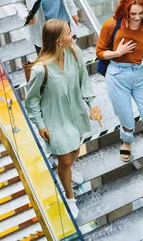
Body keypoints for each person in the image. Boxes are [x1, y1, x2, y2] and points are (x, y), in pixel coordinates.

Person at [25, 19, 102, 219]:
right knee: (66, 158)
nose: (72, 36)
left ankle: (64, 169)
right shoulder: (41, 69)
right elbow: (31, 100)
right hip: (54, 118)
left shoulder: (74, 53)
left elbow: (83, 80)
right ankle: (69, 196)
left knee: (75, 149)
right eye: (68, 33)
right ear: (59, 41)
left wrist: (91, 104)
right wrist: (40, 125)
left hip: (73, 112)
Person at [96, 0, 143, 178]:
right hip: (117, 75)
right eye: (133, 14)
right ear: (125, 11)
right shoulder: (111, 25)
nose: (137, 18)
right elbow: (100, 52)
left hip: (140, 74)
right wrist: (117, 53)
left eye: (141, 13)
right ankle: (126, 141)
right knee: (127, 119)